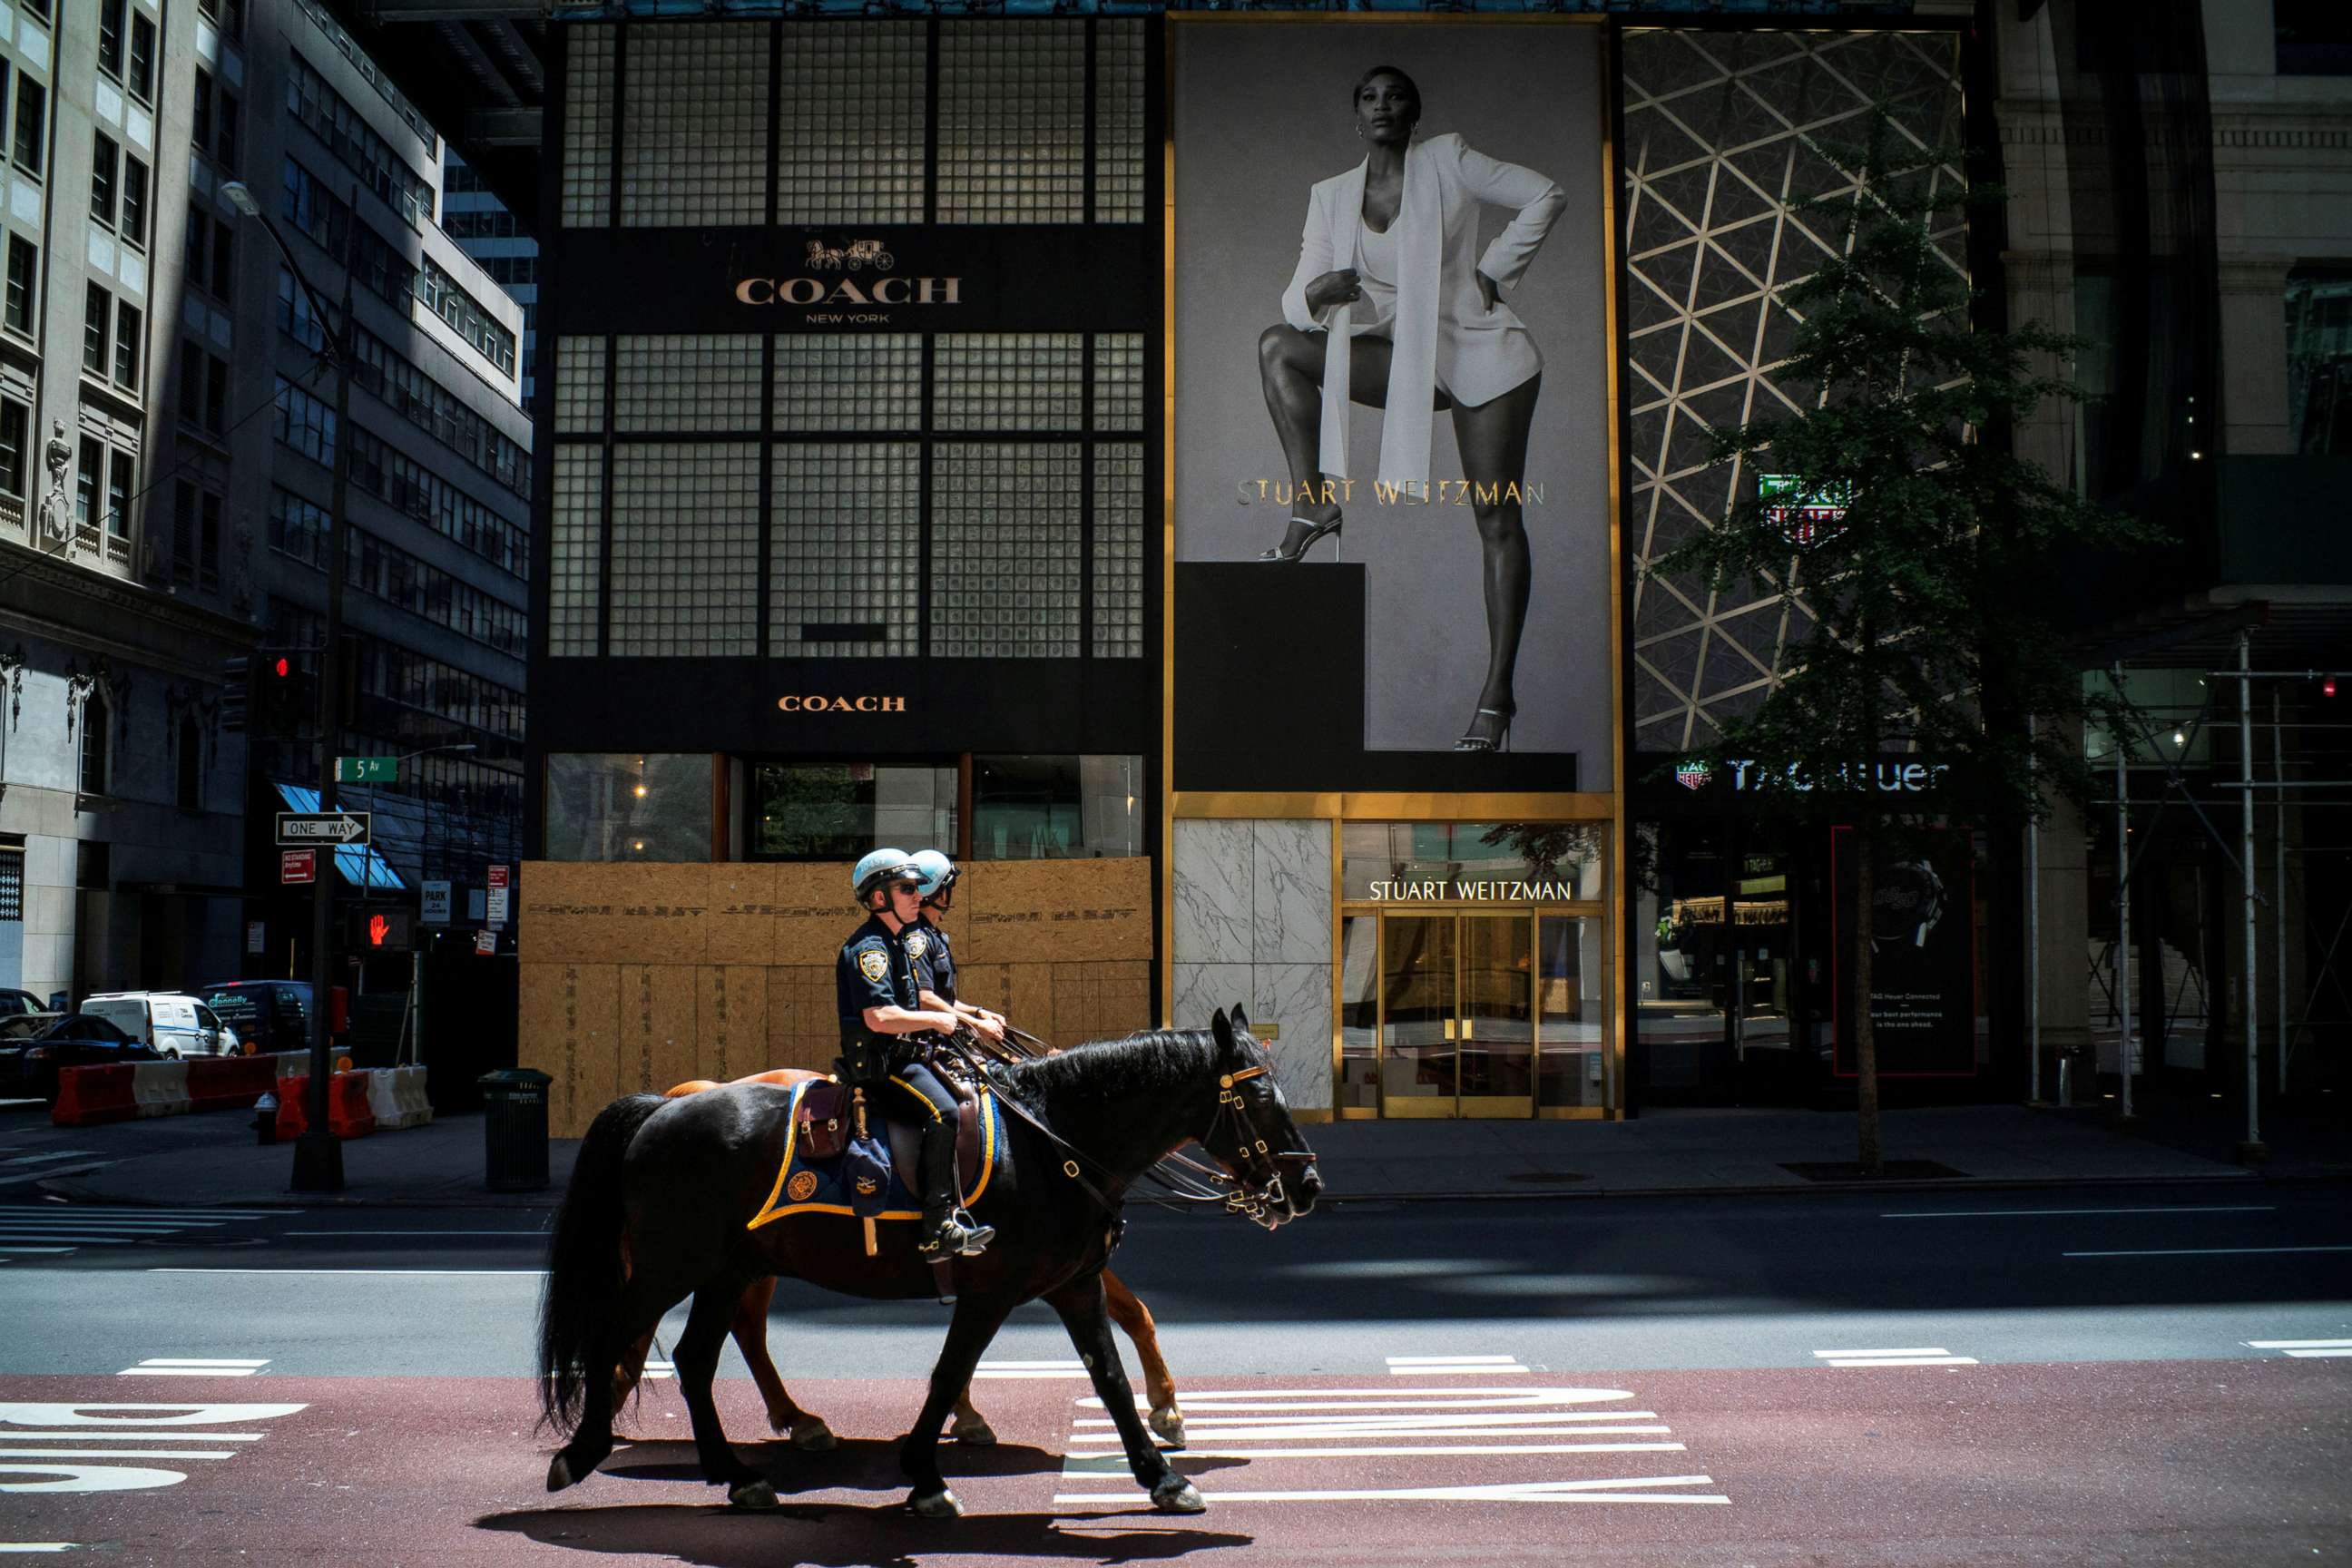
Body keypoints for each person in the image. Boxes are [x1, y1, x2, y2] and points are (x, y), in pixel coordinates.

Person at [1255, 65, 1565, 752]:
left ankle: (1497, 693)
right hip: (1406, 357)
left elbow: (1546, 193)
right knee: (1279, 345)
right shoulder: (1331, 196)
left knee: (1495, 517)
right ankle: (1312, 504)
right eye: (1369, 97)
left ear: (1414, 113)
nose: (1382, 105)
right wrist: (1317, 294)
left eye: (1395, 95)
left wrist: (1495, 268)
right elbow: (1296, 294)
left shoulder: (1447, 160)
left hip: (1482, 357)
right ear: (1355, 119)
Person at [836, 848, 995, 1259]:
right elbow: (878, 1016)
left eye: (916, 888)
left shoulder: (897, 943)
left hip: (907, 1057)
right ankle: (936, 1226)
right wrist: (936, 1021)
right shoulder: (870, 948)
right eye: (905, 889)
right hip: (882, 1066)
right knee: (943, 1113)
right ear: (878, 899)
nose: (916, 896)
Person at [906, 849, 1008, 1052]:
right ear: (942, 893)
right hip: (927, 1048)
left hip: (945, 1042)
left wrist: (978, 1013)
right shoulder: (918, 939)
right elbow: (925, 1000)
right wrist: (976, 1024)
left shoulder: (932, 934)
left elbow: (943, 1001)